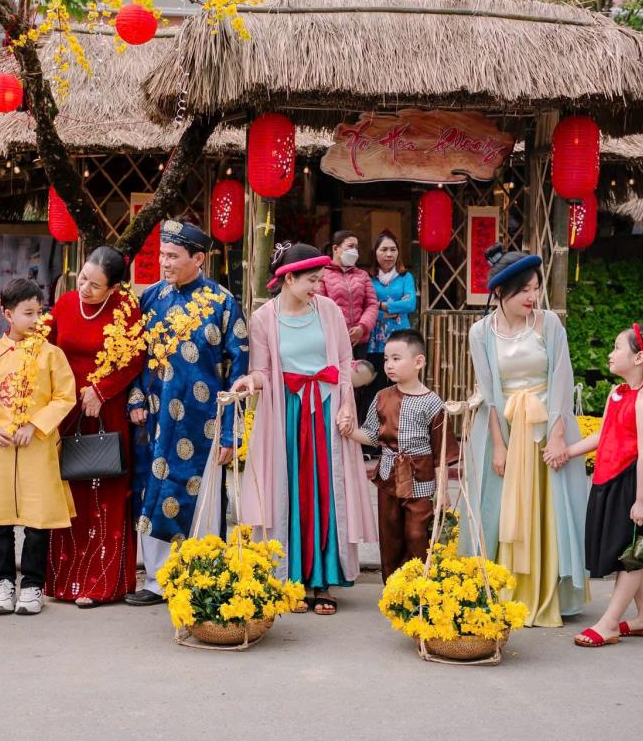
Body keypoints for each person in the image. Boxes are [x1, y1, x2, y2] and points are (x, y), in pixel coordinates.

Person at [232, 243, 378, 615]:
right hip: (288, 412)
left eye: (319, 280)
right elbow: (263, 370)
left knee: (327, 490)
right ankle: (292, 578)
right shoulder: (263, 318)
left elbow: (343, 363)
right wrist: (249, 382)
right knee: (291, 491)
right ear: (289, 278)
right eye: (311, 280)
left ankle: (323, 581)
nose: (317, 287)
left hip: (326, 410)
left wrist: (346, 406)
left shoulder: (328, 310)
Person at [461, 244, 589, 628]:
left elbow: (561, 379)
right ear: (501, 292)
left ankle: (548, 592)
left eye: (536, 288)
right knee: (499, 508)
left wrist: (558, 435)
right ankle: (503, 588)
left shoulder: (549, 324)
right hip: (504, 428)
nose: (533, 297)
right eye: (525, 291)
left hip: (547, 426)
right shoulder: (480, 332)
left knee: (550, 509)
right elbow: (489, 393)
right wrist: (498, 445)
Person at [125, 221, 249, 607]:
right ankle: (157, 580)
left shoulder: (223, 302)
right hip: (155, 420)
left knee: (202, 498)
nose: (164, 262)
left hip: (204, 422)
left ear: (198, 259)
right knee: (154, 493)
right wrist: (135, 400)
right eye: (162, 255)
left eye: (173, 256)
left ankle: (200, 576)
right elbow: (134, 357)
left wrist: (230, 433)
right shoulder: (151, 297)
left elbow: (239, 371)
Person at [45, 246, 145, 608]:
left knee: (105, 489)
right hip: (67, 408)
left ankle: (101, 584)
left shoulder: (126, 310)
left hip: (106, 408)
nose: (84, 288)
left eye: (95, 285)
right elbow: (45, 349)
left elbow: (135, 359)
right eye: (83, 278)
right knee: (69, 490)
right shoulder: (64, 304)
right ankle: (63, 581)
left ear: (114, 288)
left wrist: (101, 391)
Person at [566, 324, 643, 647]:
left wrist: (642, 501)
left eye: (617, 348)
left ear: (639, 357)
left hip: (633, 483)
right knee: (634, 550)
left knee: (630, 556)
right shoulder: (619, 394)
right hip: (610, 479)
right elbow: (604, 434)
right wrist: (568, 452)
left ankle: (609, 623)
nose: (611, 354)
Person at [0, 278, 77, 616]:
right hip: (0, 449)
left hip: (38, 448)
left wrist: (35, 425)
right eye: (28, 313)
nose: (36, 319)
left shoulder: (52, 354)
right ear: (8, 314)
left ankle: (33, 585)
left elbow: (65, 396)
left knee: (38, 522)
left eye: (40, 312)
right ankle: (3, 582)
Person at [345, 329, 457, 581]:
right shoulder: (381, 397)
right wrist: (351, 432)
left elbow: (441, 451)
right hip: (389, 478)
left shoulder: (432, 403)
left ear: (418, 362)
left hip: (421, 480)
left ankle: (419, 585)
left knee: (417, 534)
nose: (389, 365)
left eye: (396, 359)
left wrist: (443, 491)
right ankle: (393, 587)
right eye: (386, 359)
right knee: (390, 534)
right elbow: (372, 435)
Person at [318, 231, 378, 419]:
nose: (355, 251)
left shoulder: (362, 275)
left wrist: (362, 327)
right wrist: (340, 333)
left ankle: (356, 426)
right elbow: (320, 306)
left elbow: (372, 304)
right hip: (334, 342)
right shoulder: (323, 274)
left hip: (360, 341)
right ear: (336, 249)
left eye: (356, 247)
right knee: (336, 383)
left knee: (359, 386)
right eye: (350, 246)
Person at [366, 231, 417, 392]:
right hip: (376, 342)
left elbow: (410, 304)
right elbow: (367, 307)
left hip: (401, 338)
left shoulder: (405, 277)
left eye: (393, 250)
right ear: (375, 252)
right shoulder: (368, 278)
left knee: (401, 386)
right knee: (376, 389)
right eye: (384, 249)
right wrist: (392, 309)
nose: (389, 254)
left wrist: (382, 306)